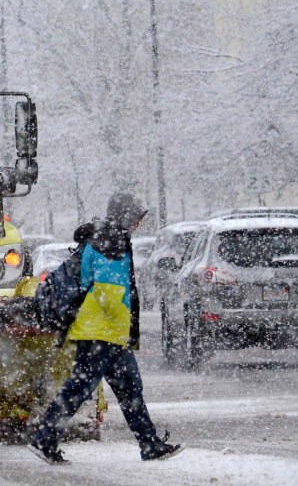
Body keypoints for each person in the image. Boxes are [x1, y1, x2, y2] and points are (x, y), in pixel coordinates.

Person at [28, 193, 183, 464]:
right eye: (135, 217)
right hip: (100, 330)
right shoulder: (111, 241)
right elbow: (107, 290)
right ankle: (44, 438)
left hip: (109, 332)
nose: (137, 223)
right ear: (124, 215)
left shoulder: (104, 238)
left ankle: (150, 444)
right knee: (80, 387)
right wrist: (120, 319)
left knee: (130, 387)